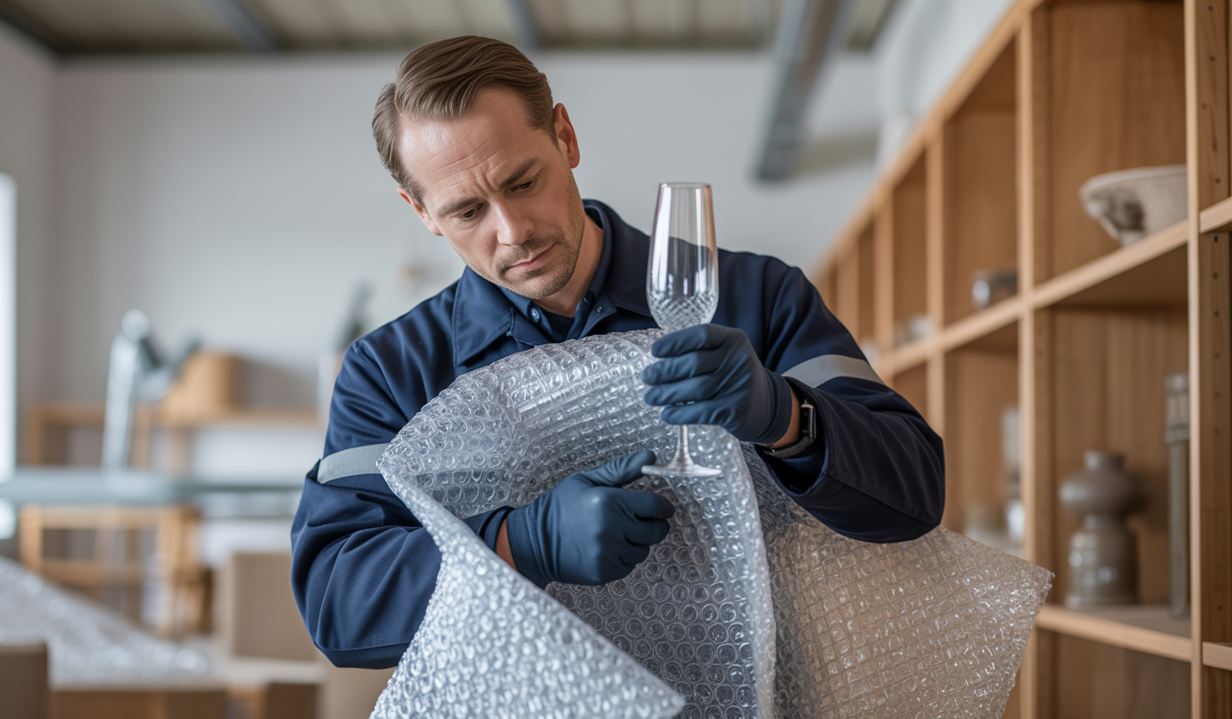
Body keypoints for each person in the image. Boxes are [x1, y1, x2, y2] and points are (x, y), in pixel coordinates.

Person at [291, 36, 944, 669]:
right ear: (422, 212)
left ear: (565, 137)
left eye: (523, 181)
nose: (513, 231)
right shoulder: (390, 371)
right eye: (467, 212)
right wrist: (521, 543)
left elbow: (915, 491)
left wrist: (788, 416)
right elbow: (337, 602)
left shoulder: (757, 296)